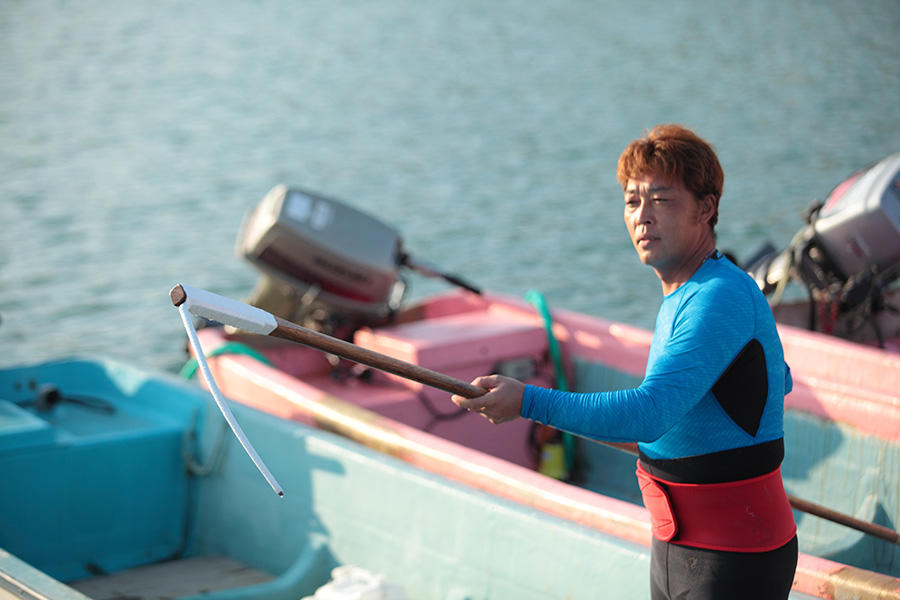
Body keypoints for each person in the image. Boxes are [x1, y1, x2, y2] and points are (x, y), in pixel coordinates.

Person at [451, 124, 798, 599]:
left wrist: (527, 401)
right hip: (679, 549)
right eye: (633, 201)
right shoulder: (687, 293)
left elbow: (648, 415)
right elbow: (779, 380)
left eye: (661, 199)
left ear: (706, 208)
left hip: (735, 557)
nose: (643, 216)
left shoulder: (718, 296)